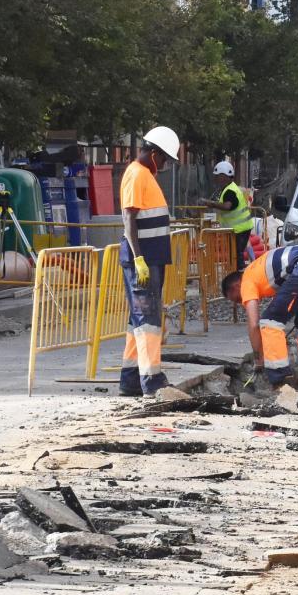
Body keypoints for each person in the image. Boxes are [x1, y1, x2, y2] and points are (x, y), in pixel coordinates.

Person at [221, 242, 298, 391]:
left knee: (270, 321)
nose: (241, 302)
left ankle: (280, 381)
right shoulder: (263, 268)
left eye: (237, 299)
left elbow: (253, 324)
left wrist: (259, 359)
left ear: (236, 286)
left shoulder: (247, 279)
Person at [118, 126, 180, 398]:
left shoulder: (145, 175)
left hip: (151, 259)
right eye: (165, 158)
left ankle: (131, 378)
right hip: (143, 261)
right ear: (154, 153)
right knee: (148, 320)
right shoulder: (136, 174)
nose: (165, 164)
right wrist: (139, 258)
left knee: (139, 322)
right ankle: (152, 381)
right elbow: (129, 218)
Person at [204, 152, 255, 265]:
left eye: (217, 176)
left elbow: (228, 206)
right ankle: (237, 274)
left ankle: (238, 276)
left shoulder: (230, 191)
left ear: (223, 176)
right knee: (236, 254)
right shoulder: (231, 188)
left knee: (236, 255)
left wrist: (211, 204)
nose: (216, 179)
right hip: (241, 228)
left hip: (239, 229)